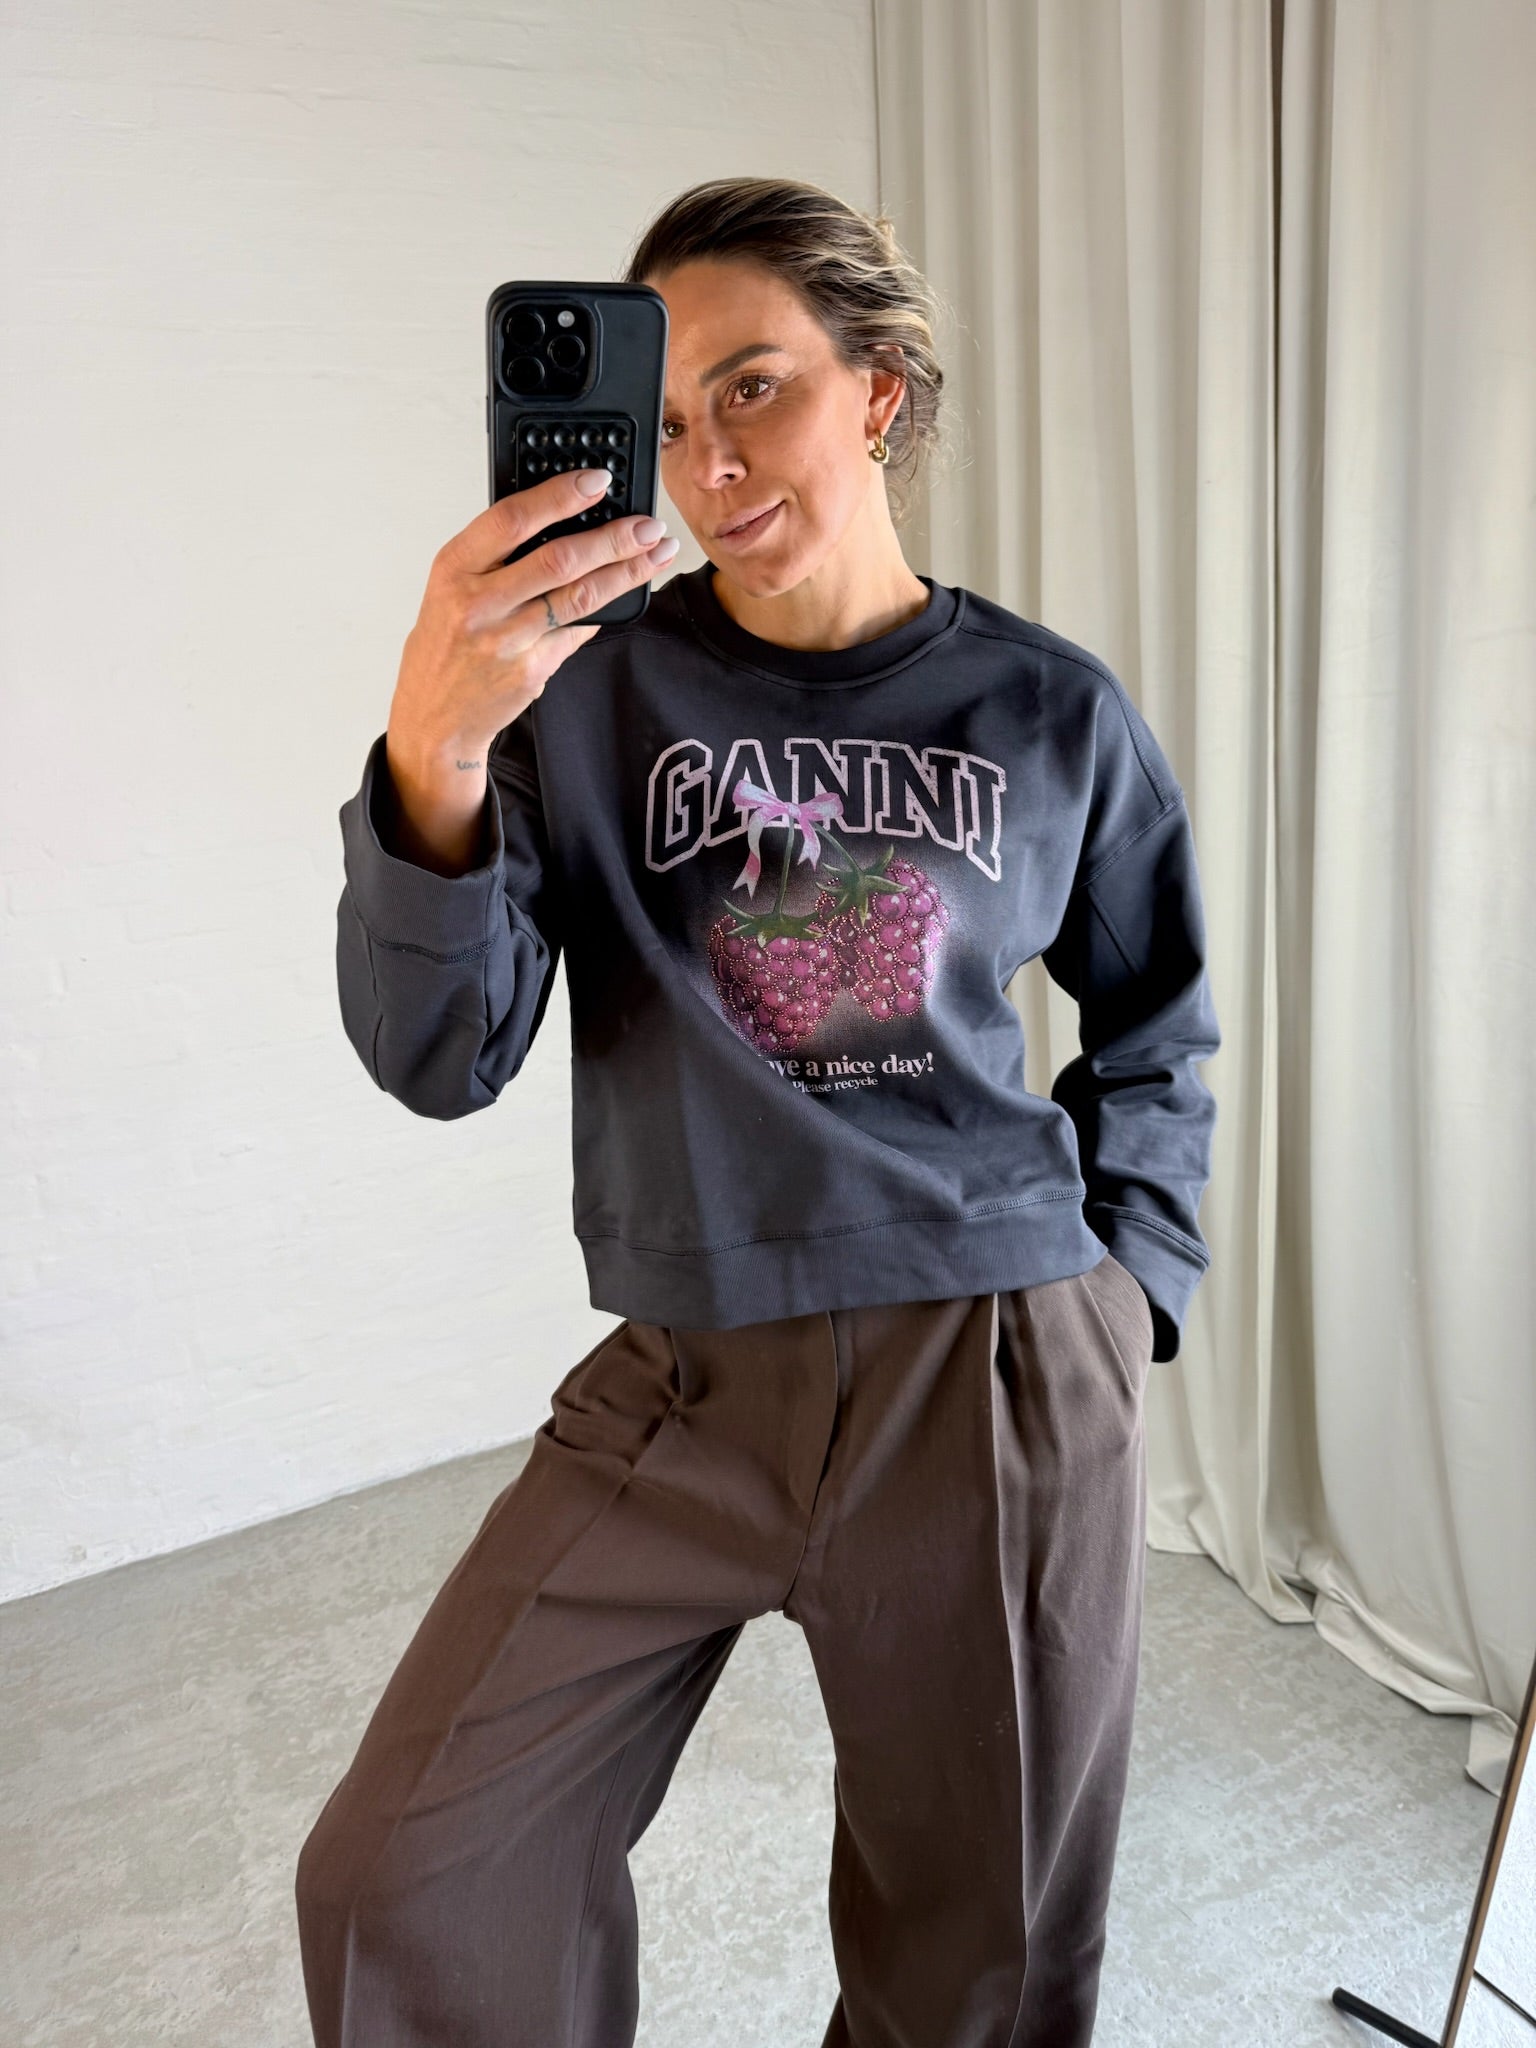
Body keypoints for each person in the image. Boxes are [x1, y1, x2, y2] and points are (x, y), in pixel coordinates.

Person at [294, 175, 1220, 2048]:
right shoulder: (581, 694)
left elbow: (1157, 1019)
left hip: (991, 1373)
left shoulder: (1047, 708)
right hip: (690, 1379)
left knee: (978, 1970)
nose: (707, 462)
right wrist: (435, 743)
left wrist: (1128, 1299)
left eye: (753, 388)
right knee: (406, 1876)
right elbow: (437, 1054)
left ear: (877, 390)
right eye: (665, 421)